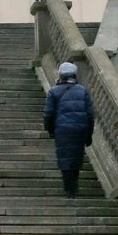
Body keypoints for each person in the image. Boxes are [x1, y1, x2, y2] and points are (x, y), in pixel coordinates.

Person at [43, 61, 95, 198]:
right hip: (80, 129)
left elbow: (48, 113)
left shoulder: (53, 91)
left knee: (64, 157)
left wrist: (49, 129)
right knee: (77, 156)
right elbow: (90, 114)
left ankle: (68, 189)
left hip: (62, 129)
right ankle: (75, 185)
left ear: (60, 75)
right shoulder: (82, 91)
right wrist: (89, 135)